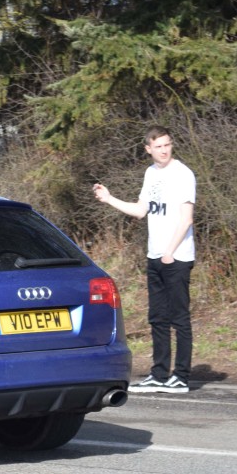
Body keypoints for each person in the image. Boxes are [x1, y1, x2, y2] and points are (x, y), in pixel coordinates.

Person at [92, 126, 196, 393]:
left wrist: (170, 252)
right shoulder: (151, 173)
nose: (164, 150)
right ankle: (159, 374)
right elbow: (140, 211)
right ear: (148, 149)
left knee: (179, 318)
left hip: (177, 257)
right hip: (154, 255)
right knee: (158, 317)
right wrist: (109, 198)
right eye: (158, 146)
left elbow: (186, 219)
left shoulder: (183, 174)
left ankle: (181, 377)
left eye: (167, 145)